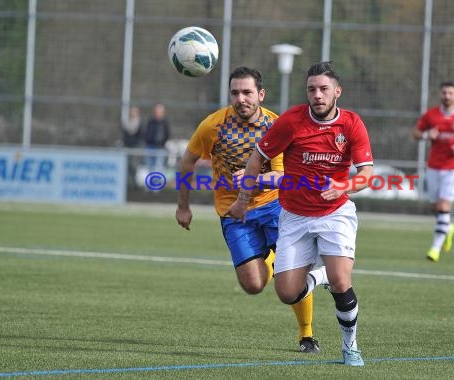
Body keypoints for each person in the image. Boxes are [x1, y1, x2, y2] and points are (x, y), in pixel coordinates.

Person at [226, 61, 374, 366]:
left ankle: (351, 347)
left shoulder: (352, 124)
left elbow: (367, 174)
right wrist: (242, 200)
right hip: (294, 216)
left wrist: (344, 185)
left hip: (335, 213)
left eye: (323, 89)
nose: (317, 95)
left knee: (342, 282)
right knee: (287, 293)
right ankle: (322, 275)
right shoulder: (292, 121)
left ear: (337, 92)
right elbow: (257, 159)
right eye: (312, 89)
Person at [175, 67, 321, 354]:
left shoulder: (276, 126)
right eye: (235, 93)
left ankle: (307, 335)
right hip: (235, 213)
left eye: (247, 92)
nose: (241, 98)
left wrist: (256, 178)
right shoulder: (212, 126)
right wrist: (183, 206)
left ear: (261, 95)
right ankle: (269, 258)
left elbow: (282, 177)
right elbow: (187, 163)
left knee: (289, 277)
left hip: (276, 207)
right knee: (253, 286)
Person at [413, 82, 454, 262]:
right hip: (434, 166)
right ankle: (448, 228)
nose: (447, 96)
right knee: (435, 207)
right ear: (440, 95)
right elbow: (416, 133)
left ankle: (435, 249)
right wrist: (427, 135)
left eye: (451, 93)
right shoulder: (431, 115)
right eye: (444, 92)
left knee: (443, 206)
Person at [144, 103, 170, 170]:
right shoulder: (150, 121)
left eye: (159, 112)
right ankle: (151, 180)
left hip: (160, 148)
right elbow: (146, 133)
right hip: (150, 147)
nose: (157, 113)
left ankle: (157, 180)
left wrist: (162, 143)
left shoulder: (165, 123)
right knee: (150, 167)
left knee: (158, 168)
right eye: (156, 111)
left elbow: (167, 134)